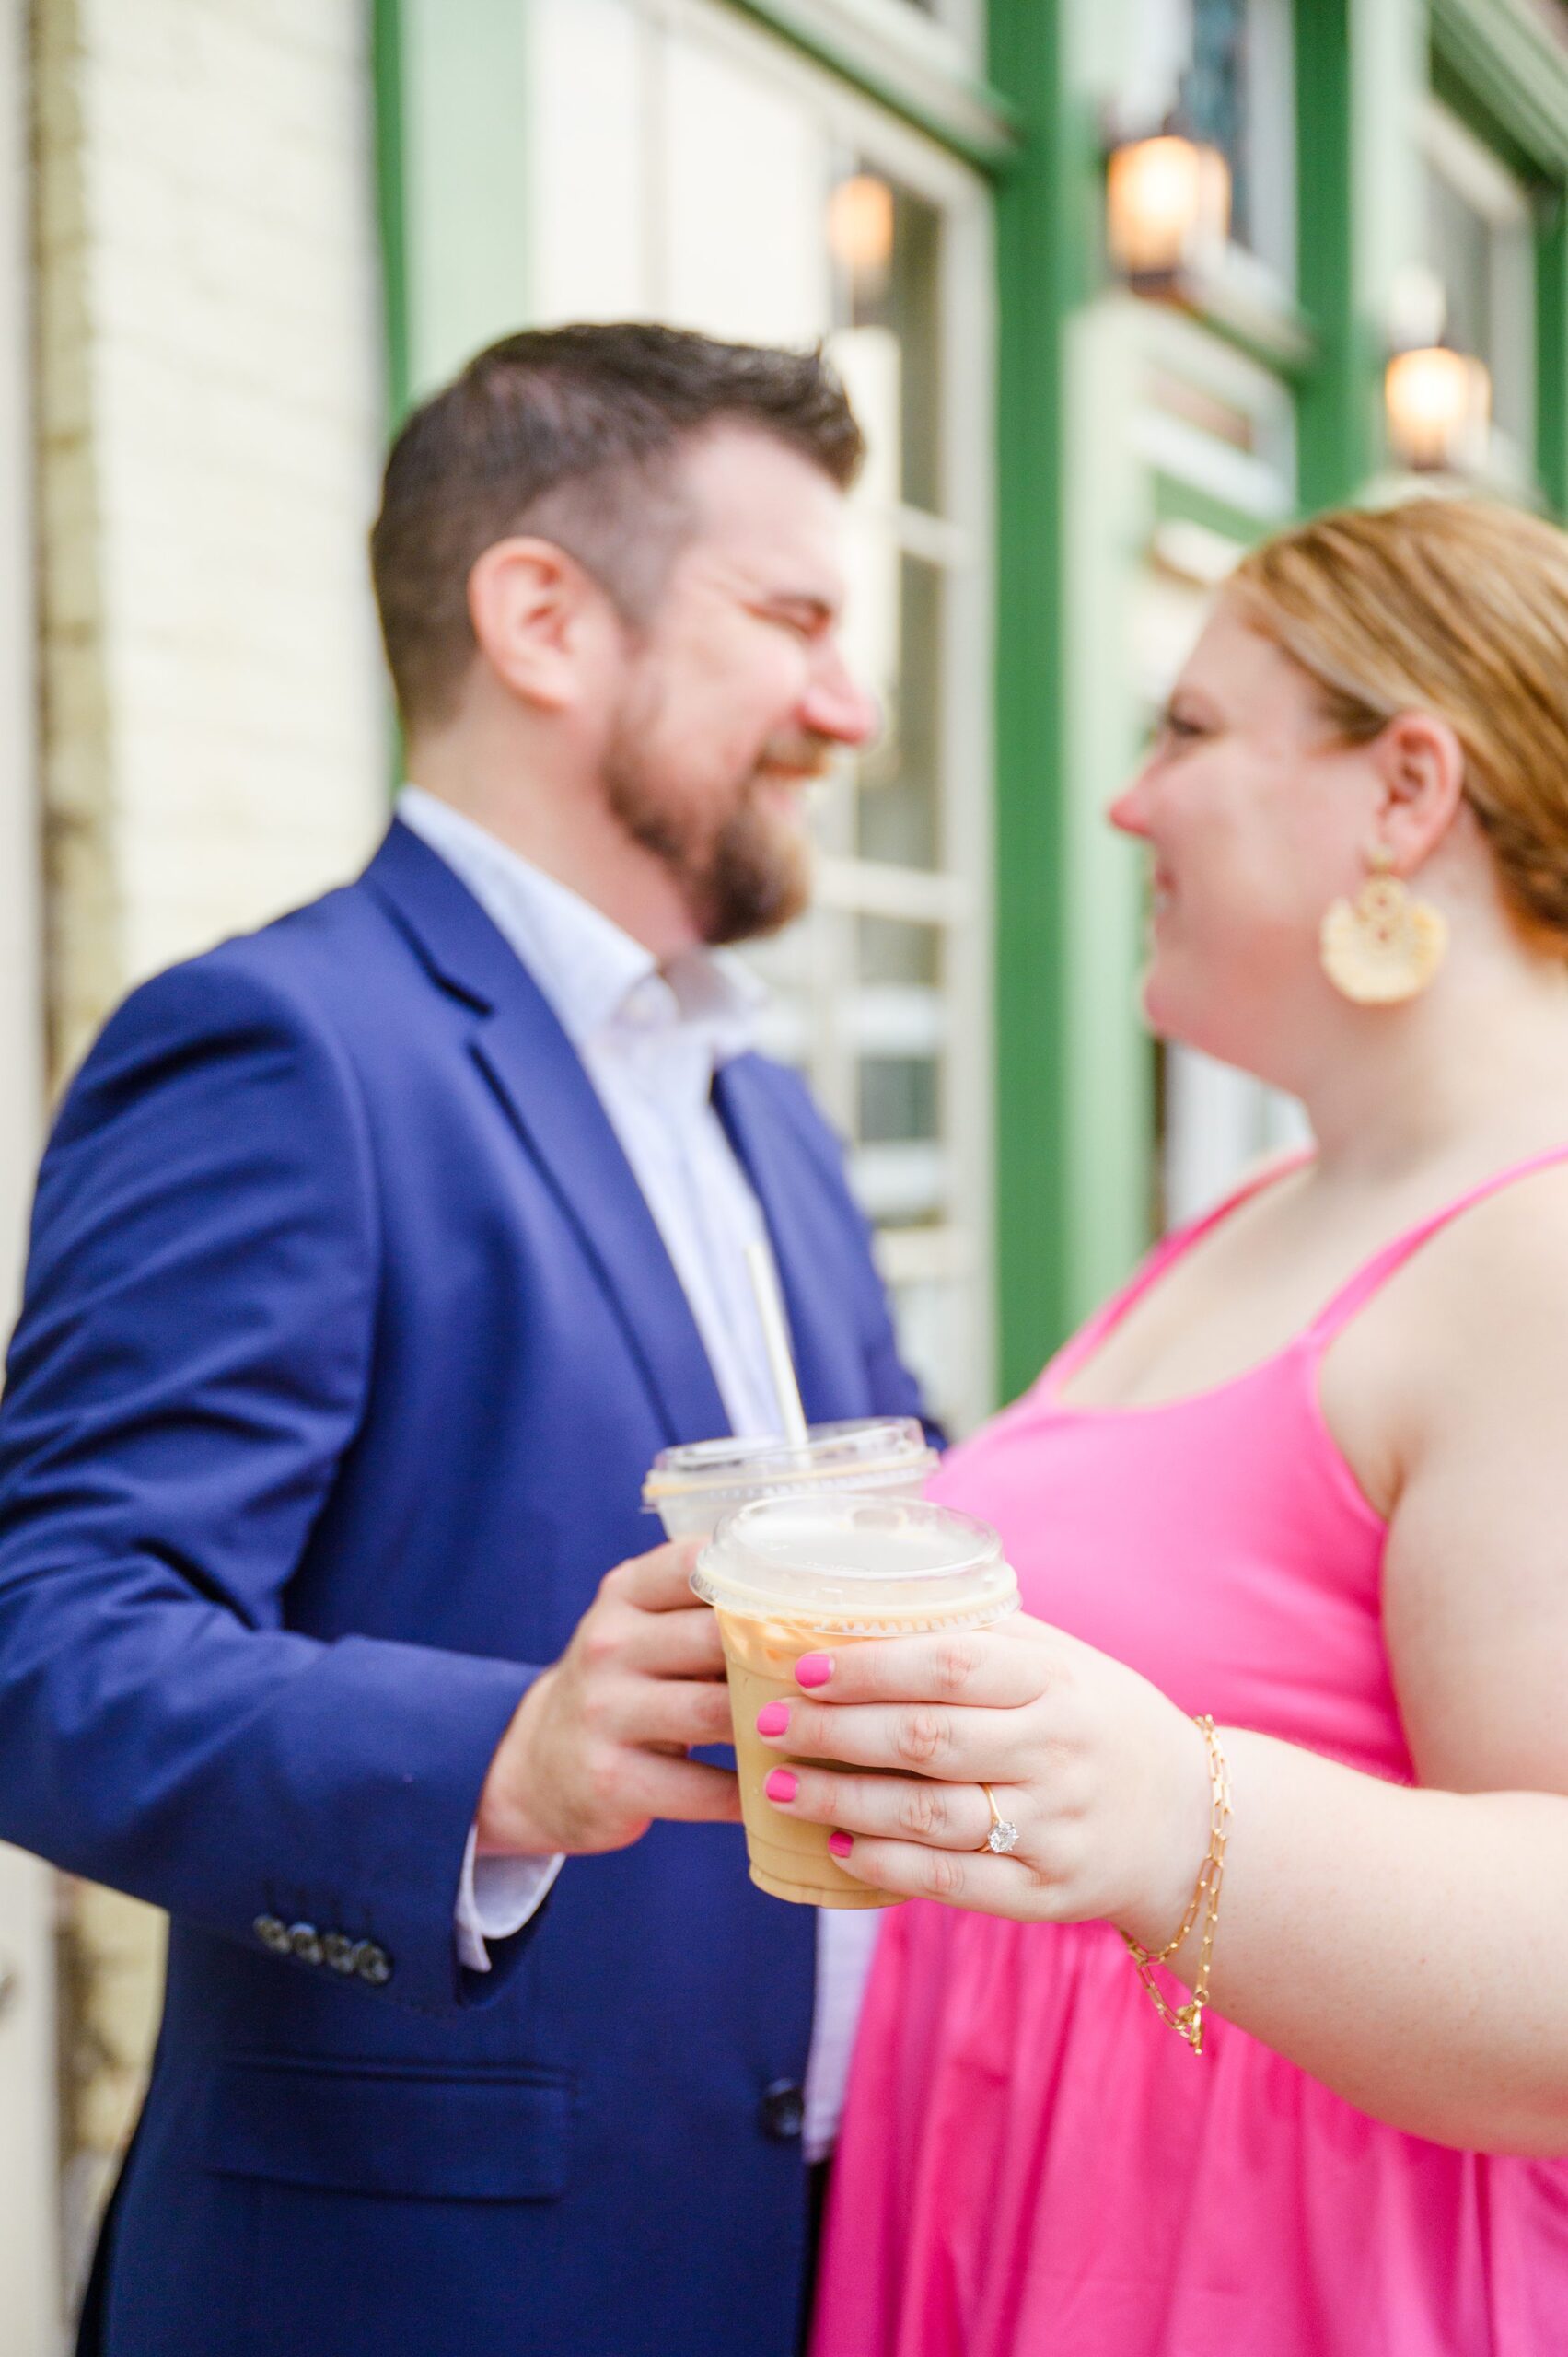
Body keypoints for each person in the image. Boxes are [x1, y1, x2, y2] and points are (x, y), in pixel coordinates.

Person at [0, 322, 931, 2357]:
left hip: (818, 2258)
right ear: (540, 617)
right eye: (791, 615)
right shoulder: (280, 1045)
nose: (848, 704)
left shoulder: (763, 1097)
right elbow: (45, 1639)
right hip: (426, 2285)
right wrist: (500, 1756)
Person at [758, 497, 1568, 2355]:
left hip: (1289, 2271)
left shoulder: (1541, 1254)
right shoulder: (1266, 1210)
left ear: (1406, 789)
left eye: (1190, 732)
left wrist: (1152, 1806)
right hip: (1019, 2209)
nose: (1130, 802)